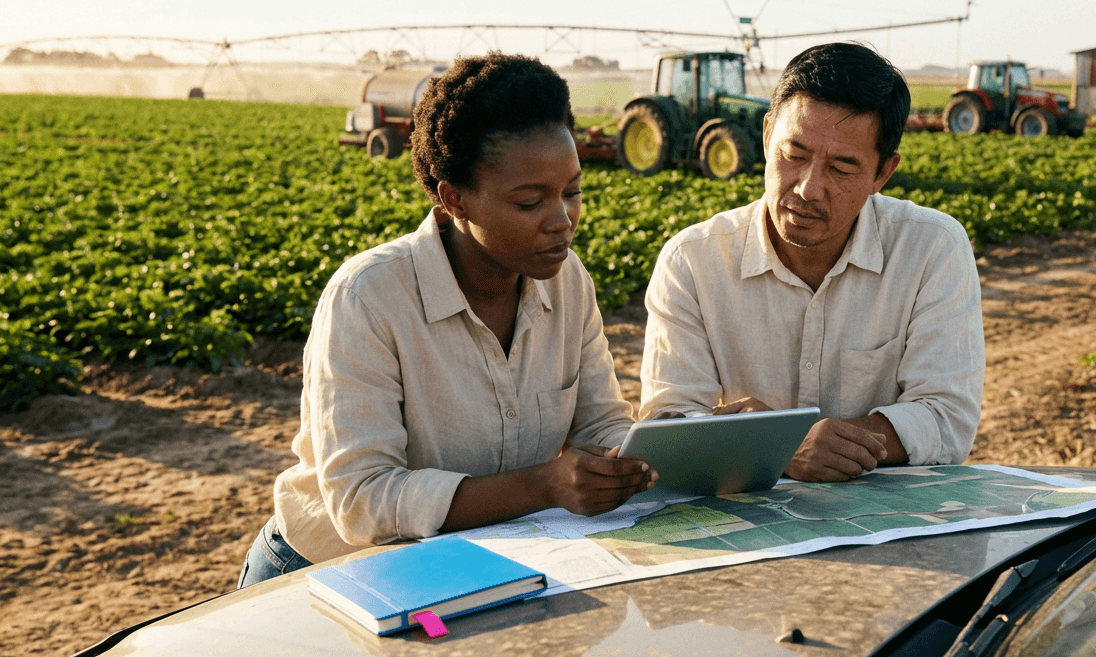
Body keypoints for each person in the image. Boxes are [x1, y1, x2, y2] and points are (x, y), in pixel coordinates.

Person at [239, 52, 656, 588]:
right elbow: (363, 501)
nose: (562, 220)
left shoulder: (568, 281)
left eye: (572, 192)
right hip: (327, 572)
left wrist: (648, 453)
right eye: (530, 202)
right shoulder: (368, 297)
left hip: (473, 563)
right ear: (454, 199)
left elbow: (600, 424)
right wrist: (543, 486)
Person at [639, 42, 984, 483]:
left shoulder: (932, 248)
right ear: (767, 136)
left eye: (841, 169)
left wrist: (790, 442)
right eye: (794, 155)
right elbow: (670, 421)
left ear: (882, 173)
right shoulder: (692, 261)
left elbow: (946, 417)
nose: (808, 188)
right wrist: (784, 448)